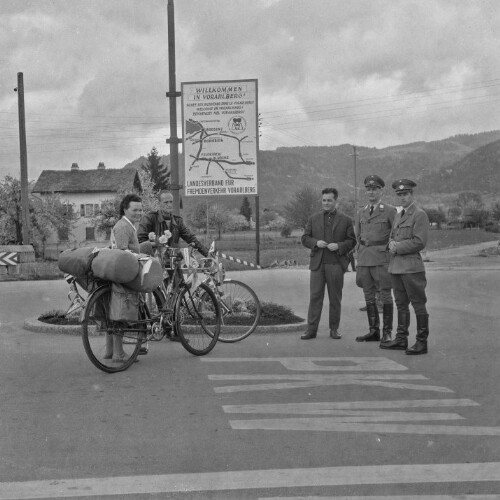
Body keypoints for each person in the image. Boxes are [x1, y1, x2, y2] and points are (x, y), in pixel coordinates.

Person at [380, 179, 430, 355]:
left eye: (405, 194)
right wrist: (391, 244)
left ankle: (421, 342)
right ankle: (401, 339)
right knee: (401, 304)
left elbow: (419, 241)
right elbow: (394, 237)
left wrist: (397, 247)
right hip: (396, 267)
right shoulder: (399, 215)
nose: (402, 197)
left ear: (412, 195)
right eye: (399, 195)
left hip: (411, 268)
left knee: (418, 303)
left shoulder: (419, 215)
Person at [300, 187, 356, 340]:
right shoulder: (313, 218)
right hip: (317, 265)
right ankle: (311, 330)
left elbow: (352, 241)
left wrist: (339, 246)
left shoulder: (346, 220)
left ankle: (334, 329)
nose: (326, 203)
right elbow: (305, 238)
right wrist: (316, 242)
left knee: (335, 298)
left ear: (335, 201)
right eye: (324, 200)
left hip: (336, 264)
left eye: (329, 200)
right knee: (315, 297)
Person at [354, 175, 397, 344]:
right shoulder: (361, 212)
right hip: (364, 258)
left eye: (374, 189)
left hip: (381, 258)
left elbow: (395, 233)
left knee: (385, 294)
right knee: (368, 295)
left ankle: (387, 332)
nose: (371, 192)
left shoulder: (389, 210)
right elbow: (358, 234)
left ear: (381, 191)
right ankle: (373, 331)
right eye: (369, 189)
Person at [106, 193, 146, 360]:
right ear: (125, 209)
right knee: (121, 312)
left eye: (141, 210)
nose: (138, 213)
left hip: (120, 273)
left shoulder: (129, 225)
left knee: (114, 312)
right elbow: (122, 253)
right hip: (122, 275)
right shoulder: (123, 226)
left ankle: (110, 351)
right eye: (135, 210)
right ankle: (118, 353)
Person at [137, 191, 208, 257]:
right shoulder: (149, 218)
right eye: (166, 202)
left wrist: (207, 254)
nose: (169, 205)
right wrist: (156, 244)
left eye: (171, 202)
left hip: (173, 261)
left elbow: (191, 238)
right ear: (159, 203)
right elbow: (140, 242)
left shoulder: (178, 221)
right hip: (153, 262)